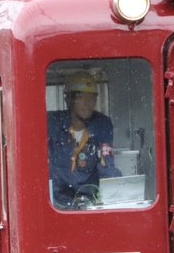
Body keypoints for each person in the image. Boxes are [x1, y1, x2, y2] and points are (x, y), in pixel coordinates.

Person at [48, 71, 120, 207]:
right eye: (81, 97)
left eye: (91, 98)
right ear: (68, 100)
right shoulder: (52, 123)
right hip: (57, 203)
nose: (87, 103)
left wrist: (117, 192)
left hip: (90, 201)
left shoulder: (102, 124)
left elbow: (107, 163)